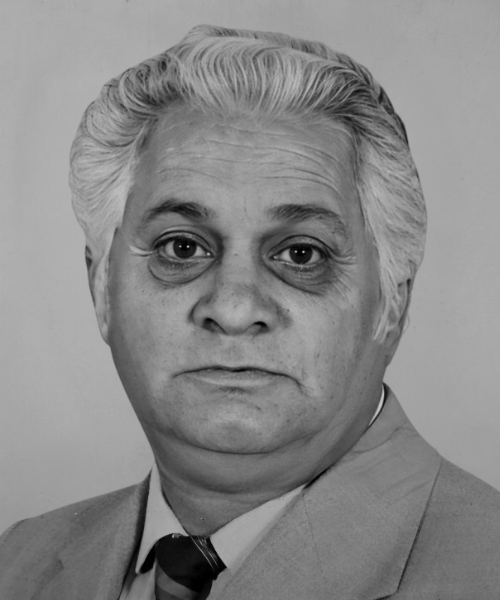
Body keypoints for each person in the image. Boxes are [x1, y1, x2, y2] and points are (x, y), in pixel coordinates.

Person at [1, 23, 499, 600]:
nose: (234, 310)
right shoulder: (17, 562)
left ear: (391, 304)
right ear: (101, 288)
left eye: (301, 254)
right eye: (180, 248)